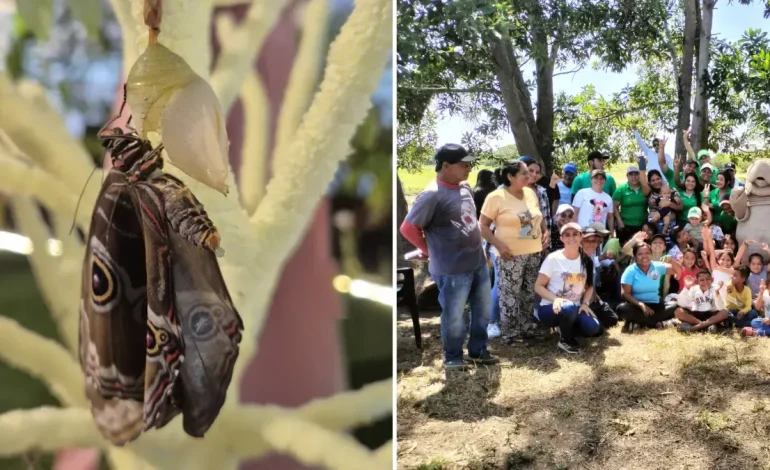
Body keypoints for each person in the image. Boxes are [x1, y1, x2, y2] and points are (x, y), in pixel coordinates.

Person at [400, 143, 498, 370]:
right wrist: (427, 249)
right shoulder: (431, 195)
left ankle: (478, 351)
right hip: (452, 268)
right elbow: (408, 228)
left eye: (470, 164)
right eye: (464, 165)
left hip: (477, 262)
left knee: (482, 311)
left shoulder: (464, 187)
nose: (469, 168)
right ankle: (453, 358)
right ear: (446, 165)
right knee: (454, 317)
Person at [480, 160, 550, 344]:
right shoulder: (496, 197)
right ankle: (510, 333)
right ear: (510, 177)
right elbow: (483, 226)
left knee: (528, 291)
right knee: (510, 294)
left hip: (534, 252)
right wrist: (499, 245)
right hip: (509, 254)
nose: (530, 176)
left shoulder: (530, 192)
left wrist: (546, 231)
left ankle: (526, 327)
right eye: (524, 173)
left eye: (530, 173)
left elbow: (537, 215)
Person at [534, 222, 602, 354]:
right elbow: (538, 286)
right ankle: (565, 340)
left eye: (575, 234)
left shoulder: (586, 260)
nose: (571, 238)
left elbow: (589, 287)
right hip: (550, 308)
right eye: (567, 235)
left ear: (581, 236)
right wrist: (555, 299)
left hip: (574, 307)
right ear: (561, 238)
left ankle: (565, 326)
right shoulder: (553, 258)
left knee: (593, 328)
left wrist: (586, 303)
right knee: (568, 306)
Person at [617, 242, 681, 332]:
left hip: (656, 306)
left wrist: (672, 261)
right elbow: (625, 294)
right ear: (634, 257)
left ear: (651, 254)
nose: (644, 256)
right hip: (637, 307)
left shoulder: (657, 266)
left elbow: (678, 271)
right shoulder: (630, 270)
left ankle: (639, 323)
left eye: (647, 253)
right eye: (640, 254)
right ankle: (658, 323)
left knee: (675, 305)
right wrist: (642, 305)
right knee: (622, 308)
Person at [613, 163, 650, 244]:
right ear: (627, 176)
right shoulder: (621, 190)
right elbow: (614, 207)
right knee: (625, 250)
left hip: (642, 225)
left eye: (636, 174)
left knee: (641, 248)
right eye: (631, 175)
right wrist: (619, 221)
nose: (634, 177)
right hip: (626, 225)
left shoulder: (644, 188)